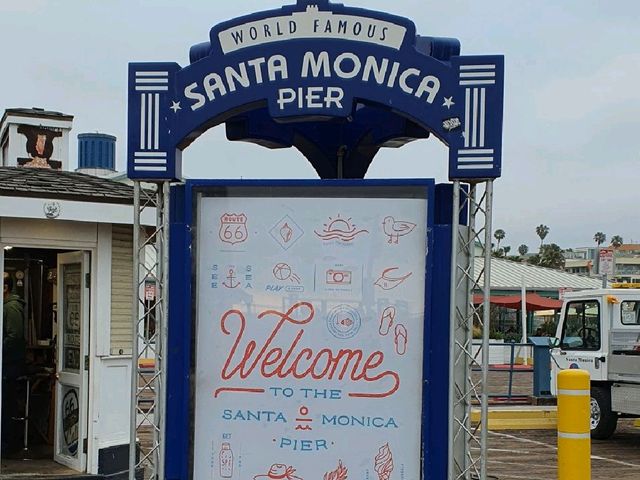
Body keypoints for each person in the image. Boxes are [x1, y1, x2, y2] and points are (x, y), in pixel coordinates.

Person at [2, 274, 26, 454]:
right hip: (8, 363)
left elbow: (14, 336)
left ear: (5, 288)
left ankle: (8, 445)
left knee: (6, 403)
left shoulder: (11, 308)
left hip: (9, 365)